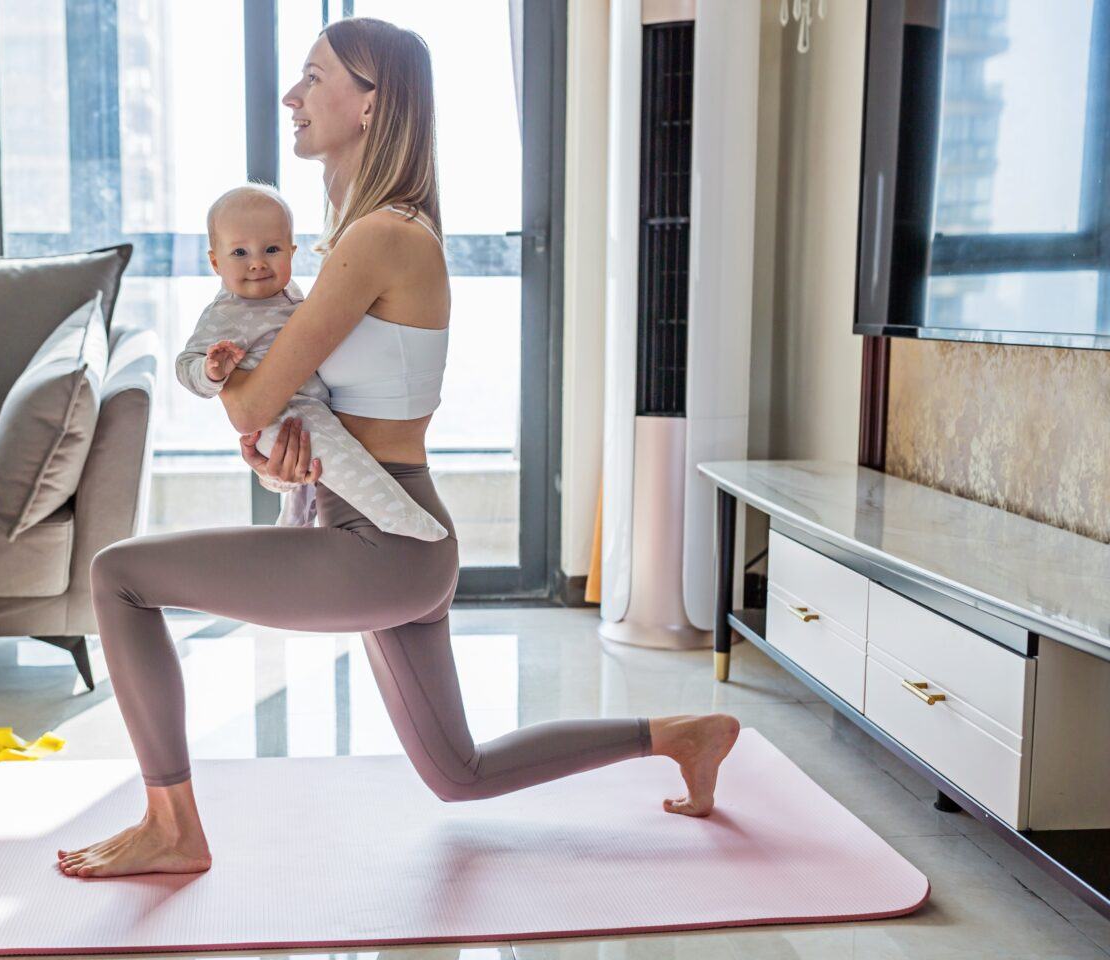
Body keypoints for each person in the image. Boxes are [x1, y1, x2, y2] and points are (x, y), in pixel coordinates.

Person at [57, 17, 739, 880]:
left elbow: (255, 402)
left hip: (382, 542)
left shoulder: (380, 236)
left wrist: (217, 373)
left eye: (312, 77)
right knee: (460, 774)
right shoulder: (360, 233)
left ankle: (171, 828)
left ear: (371, 105)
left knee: (119, 577)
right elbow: (308, 411)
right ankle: (679, 734)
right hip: (397, 532)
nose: (291, 96)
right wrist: (278, 457)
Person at [175, 182, 447, 540]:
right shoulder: (225, 315)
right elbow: (187, 365)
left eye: (271, 249)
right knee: (332, 449)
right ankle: (395, 514)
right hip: (286, 412)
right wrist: (211, 372)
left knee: (309, 470)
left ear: (292, 252)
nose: (257, 263)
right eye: (239, 252)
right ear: (215, 262)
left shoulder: (293, 295)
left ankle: (294, 523)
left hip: (302, 408)